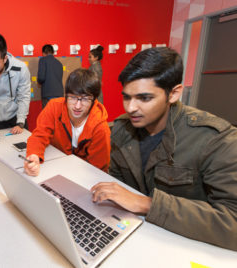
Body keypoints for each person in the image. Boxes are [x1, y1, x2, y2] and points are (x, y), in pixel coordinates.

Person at [91, 47, 237, 251]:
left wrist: (148, 204)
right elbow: (119, 184)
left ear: (174, 93)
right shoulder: (121, 129)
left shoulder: (215, 139)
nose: (131, 107)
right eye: (126, 97)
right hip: (137, 238)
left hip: (188, 247)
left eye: (144, 98)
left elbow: (232, 222)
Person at [24, 68, 111, 175]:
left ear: (94, 100)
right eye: (73, 97)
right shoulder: (54, 107)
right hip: (55, 166)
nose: (77, 106)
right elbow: (39, 136)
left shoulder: (100, 128)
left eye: (85, 99)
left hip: (82, 175)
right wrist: (33, 155)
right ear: (66, 95)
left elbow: (98, 171)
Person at [37, 44, 64, 108]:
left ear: (43, 53)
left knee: (48, 116)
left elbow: (41, 77)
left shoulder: (42, 60)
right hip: (60, 94)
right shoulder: (59, 63)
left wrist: (39, 82)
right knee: (58, 115)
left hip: (48, 94)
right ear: (53, 52)